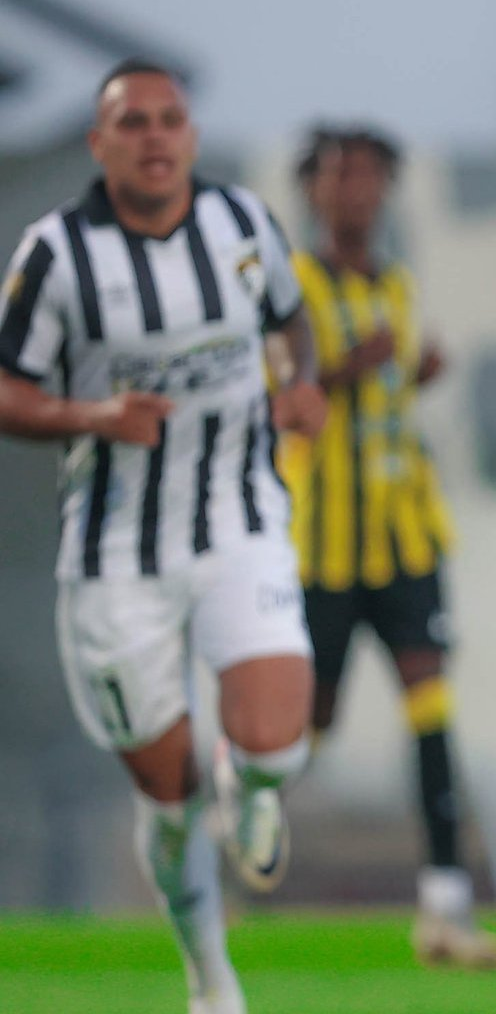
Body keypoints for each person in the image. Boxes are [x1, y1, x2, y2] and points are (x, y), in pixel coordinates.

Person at [0, 59, 326, 1014]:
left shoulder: (242, 225)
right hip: (116, 557)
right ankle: (210, 978)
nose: (154, 137)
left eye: (169, 120)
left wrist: (300, 382)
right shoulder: (56, 255)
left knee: (273, 744)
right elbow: (8, 386)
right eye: (132, 122)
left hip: (238, 519)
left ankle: (252, 788)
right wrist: (92, 417)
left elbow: (291, 323)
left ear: (190, 136)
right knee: (168, 796)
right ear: (99, 144)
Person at [277, 124, 496, 970]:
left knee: (431, 710)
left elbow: (388, 388)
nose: (357, 190)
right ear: (312, 188)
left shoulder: (398, 286)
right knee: (312, 722)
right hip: (321, 545)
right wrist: (347, 368)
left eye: (371, 175)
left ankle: (445, 909)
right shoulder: (289, 288)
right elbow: (276, 397)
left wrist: (411, 373)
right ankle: (239, 798)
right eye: (341, 174)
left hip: (406, 537)